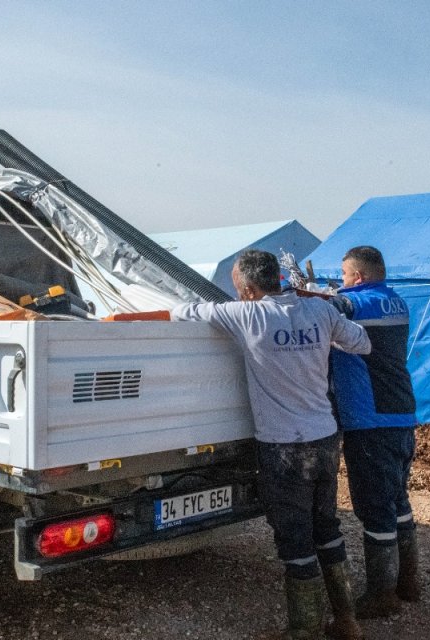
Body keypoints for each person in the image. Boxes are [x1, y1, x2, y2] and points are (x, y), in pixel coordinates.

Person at [172, 249, 371, 640]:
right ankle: (346, 621)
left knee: (294, 537)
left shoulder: (246, 315)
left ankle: (305, 628)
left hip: (283, 447)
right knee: (326, 526)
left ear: (247, 290)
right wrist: (323, 312)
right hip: (324, 437)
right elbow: (361, 342)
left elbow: (184, 311)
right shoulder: (320, 313)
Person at [323, 246, 420, 618]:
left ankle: (382, 595)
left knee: (374, 508)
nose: (344, 282)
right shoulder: (396, 301)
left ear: (358, 277)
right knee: (398, 503)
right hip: (401, 414)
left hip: (370, 419)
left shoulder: (356, 304)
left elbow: (328, 308)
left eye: (345, 276)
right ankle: (408, 583)